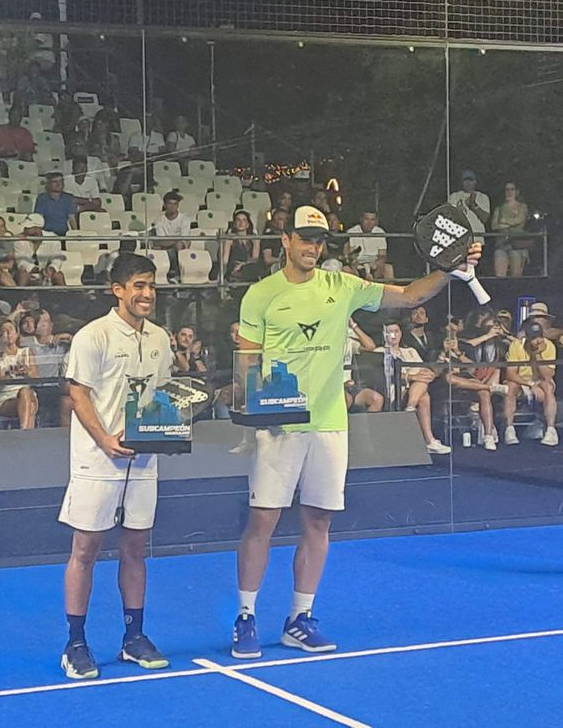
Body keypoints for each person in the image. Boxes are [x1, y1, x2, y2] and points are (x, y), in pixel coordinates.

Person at [230, 205, 481, 659]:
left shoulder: (342, 286)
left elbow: (407, 296)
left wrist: (448, 269)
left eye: (319, 240)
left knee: (319, 520)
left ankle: (298, 620)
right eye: (304, 238)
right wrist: (253, 412)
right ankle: (246, 616)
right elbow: (247, 361)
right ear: (285, 240)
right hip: (279, 425)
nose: (312, 247)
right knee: (263, 520)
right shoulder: (260, 294)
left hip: (328, 423)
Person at [59, 253, 173, 679]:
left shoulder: (160, 339)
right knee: (85, 551)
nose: (147, 294)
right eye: (139, 286)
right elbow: (77, 393)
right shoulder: (94, 336)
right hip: (97, 461)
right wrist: (105, 439)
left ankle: (134, 638)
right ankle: (75, 644)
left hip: (144, 461)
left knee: (136, 549)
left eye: (152, 286)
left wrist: (169, 431)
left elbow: (161, 397)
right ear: (118, 289)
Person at [375, 321, 451, 453]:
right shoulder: (379, 352)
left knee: (423, 393)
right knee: (423, 393)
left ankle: (410, 409)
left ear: (401, 333)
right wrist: (410, 377)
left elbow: (422, 371)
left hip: (414, 389)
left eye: (396, 331)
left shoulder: (410, 351)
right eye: (389, 332)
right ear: (384, 334)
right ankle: (429, 440)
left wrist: (427, 374)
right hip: (393, 390)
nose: (393, 335)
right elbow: (383, 375)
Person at [503, 321, 558, 447]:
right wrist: (530, 385)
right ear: (527, 338)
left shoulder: (549, 346)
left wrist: (537, 356)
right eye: (534, 338)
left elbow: (548, 376)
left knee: (548, 387)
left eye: (539, 336)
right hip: (522, 380)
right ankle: (509, 429)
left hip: (541, 380)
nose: (538, 341)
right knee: (511, 387)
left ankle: (551, 430)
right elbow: (510, 374)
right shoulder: (516, 345)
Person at [0, 319, 39, 429]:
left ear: (16, 334)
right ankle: (27, 436)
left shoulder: (26, 352)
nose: (8, 333)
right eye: (4, 331)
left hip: (27, 394)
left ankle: (23, 433)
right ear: (0, 336)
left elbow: (36, 377)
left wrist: (26, 371)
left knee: (25, 392)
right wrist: (9, 375)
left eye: (10, 330)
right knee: (29, 405)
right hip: (5, 397)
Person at [491, 181, 529, 277]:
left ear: (517, 192)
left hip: (517, 246)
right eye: (507, 190)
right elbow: (494, 226)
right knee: (500, 276)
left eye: (512, 189)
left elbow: (519, 220)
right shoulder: (499, 208)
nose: (509, 192)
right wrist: (509, 223)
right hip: (501, 245)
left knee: (516, 276)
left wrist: (503, 221)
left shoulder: (522, 206)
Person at [346, 211, 394, 280]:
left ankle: (389, 290)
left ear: (376, 221)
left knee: (388, 268)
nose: (369, 223)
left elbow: (382, 256)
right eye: (366, 219)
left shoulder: (380, 232)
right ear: (361, 219)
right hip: (358, 266)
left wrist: (376, 264)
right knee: (346, 269)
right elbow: (350, 255)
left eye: (372, 220)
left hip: (374, 266)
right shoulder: (352, 232)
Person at [448, 169, 490, 245]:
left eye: (470, 180)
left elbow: (485, 219)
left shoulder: (483, 197)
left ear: (475, 182)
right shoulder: (454, 196)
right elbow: (448, 217)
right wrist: (458, 212)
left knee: (474, 256)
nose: (468, 183)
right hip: (458, 239)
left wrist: (473, 205)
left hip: (476, 237)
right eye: (465, 180)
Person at [222, 210, 262, 282]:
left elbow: (255, 258)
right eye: (238, 220)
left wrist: (243, 265)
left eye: (244, 220)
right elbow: (225, 261)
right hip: (234, 267)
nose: (241, 223)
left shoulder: (254, 239)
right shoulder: (230, 239)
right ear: (234, 224)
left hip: (249, 267)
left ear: (247, 224)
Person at [33, 171, 77, 236]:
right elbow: (39, 218)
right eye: (55, 182)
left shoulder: (68, 198)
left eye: (61, 181)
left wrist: (76, 234)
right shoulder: (42, 198)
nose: (58, 184)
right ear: (48, 184)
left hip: (63, 235)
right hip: (46, 235)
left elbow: (72, 219)